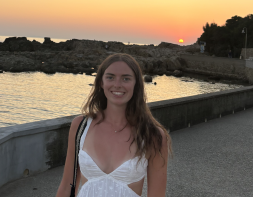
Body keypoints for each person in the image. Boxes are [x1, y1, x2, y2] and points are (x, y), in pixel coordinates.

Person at [56, 53, 172, 197]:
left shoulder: (152, 135)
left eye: (126, 78)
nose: (117, 84)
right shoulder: (80, 126)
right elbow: (66, 188)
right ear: (101, 82)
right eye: (110, 77)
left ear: (136, 84)